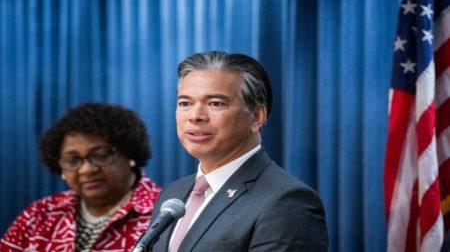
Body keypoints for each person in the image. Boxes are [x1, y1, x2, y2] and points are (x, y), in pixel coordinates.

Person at [150, 51, 328, 251]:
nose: (195, 116)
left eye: (215, 103)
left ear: (257, 116)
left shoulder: (288, 202)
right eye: (185, 103)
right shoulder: (173, 194)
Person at [0, 102, 161, 252]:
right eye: (73, 160)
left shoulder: (164, 214)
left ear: (129, 154)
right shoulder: (38, 215)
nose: (86, 170)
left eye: (100, 155)